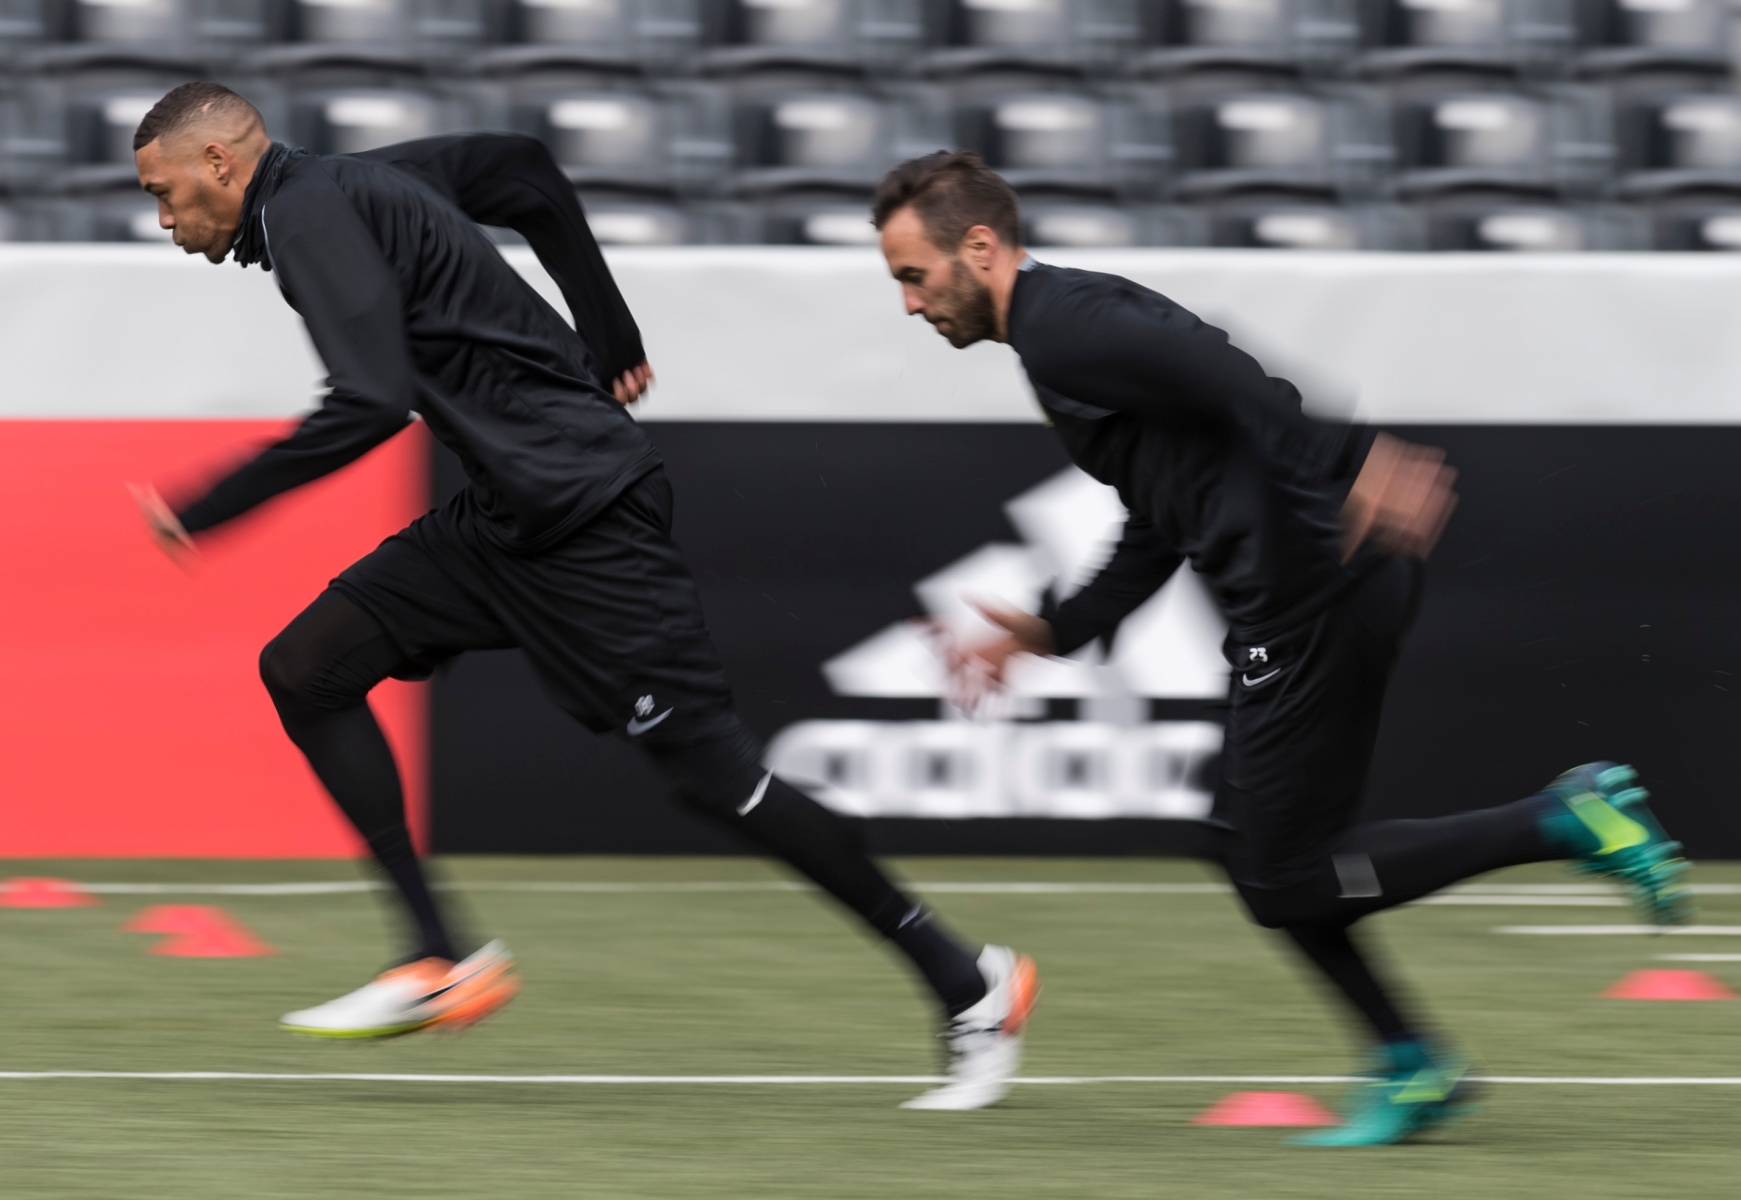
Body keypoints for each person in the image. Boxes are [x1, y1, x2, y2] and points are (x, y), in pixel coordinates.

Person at [126, 82, 1036, 1110]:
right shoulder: (365, 181)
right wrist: (610, 332)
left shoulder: (301, 215)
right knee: (305, 667)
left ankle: (969, 983)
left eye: (164, 194)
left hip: (589, 514)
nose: (165, 221)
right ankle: (436, 956)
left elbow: (373, 398)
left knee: (715, 779)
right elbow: (521, 169)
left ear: (219, 164)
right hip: (508, 516)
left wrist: (214, 502)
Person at [871, 150, 1692, 1145]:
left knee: (1284, 873)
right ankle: (1413, 1054)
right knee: (1256, 852)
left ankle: (1563, 827)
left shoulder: (1062, 329)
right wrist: (1051, 632)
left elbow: (1229, 374)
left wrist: (1336, 489)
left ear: (980, 246)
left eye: (913, 276)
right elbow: (1162, 510)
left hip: (1316, 589)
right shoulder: (1057, 336)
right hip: (1311, 588)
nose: (911, 304)